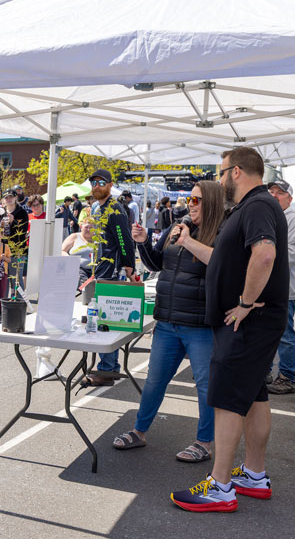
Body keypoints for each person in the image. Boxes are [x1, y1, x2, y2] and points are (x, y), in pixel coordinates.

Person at [171, 147, 289, 513]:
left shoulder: (256, 205)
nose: (219, 180)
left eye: (221, 173)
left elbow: (265, 254)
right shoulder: (253, 207)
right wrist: (190, 242)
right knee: (254, 398)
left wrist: (246, 303)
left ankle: (220, 486)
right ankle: (254, 475)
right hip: (252, 323)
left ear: (236, 172)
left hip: (247, 322)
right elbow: (223, 259)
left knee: (226, 400)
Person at [112, 181, 225, 461]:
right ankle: (139, 431)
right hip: (168, 319)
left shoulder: (221, 231)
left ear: (211, 202)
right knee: (155, 380)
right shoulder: (178, 226)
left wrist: (188, 240)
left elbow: (222, 265)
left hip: (199, 323)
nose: (191, 205)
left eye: (197, 201)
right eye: (190, 200)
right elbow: (157, 264)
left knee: (205, 385)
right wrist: (142, 244)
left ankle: (204, 442)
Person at [85, 169, 135, 381]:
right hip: (99, 269)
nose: (97, 186)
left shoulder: (115, 209)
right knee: (103, 321)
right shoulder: (96, 207)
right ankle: (110, 365)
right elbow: (100, 240)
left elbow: (124, 240)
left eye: (101, 182)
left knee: (106, 322)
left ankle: (106, 369)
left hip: (111, 272)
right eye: (93, 182)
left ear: (110, 184)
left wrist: (129, 266)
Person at [266, 179, 295, 395]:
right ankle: (266, 372)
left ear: (290, 198)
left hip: (285, 288)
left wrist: (264, 254)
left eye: (279, 192)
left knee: (285, 334)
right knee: (264, 332)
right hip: (266, 287)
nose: (274, 195)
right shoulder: (269, 217)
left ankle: (287, 377)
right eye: (271, 191)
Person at [1, 189, 30, 289]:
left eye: (11, 197)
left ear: (15, 198)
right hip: (2, 248)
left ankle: (19, 302)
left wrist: (13, 222)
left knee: (16, 278)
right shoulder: (1, 211)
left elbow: (23, 232)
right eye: (6, 197)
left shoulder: (22, 212)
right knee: (3, 278)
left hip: (17, 249)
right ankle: (4, 302)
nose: (9, 199)